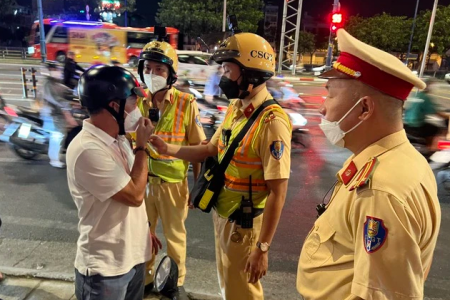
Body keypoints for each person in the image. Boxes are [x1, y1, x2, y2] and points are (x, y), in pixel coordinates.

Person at [296, 29, 441, 300]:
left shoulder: (382, 188)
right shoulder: (386, 160)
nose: (322, 108)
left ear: (364, 109)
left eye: (330, 95)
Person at [149, 33, 292, 300]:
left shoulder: (272, 122)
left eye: (227, 68)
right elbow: (209, 149)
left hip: (245, 225)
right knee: (227, 283)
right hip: (224, 214)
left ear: (249, 72)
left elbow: (278, 193)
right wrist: (168, 149)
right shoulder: (236, 107)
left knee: (243, 290)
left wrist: (262, 248)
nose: (222, 75)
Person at [66, 65, 161, 300]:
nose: (137, 109)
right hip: (105, 270)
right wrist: (141, 147)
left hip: (133, 257)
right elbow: (134, 195)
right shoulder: (87, 149)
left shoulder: (118, 139)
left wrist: (144, 229)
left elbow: (133, 186)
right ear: (114, 105)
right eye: (132, 101)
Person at [136, 40, 206, 293]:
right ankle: (144, 278)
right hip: (141, 183)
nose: (152, 74)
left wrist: (197, 188)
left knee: (175, 237)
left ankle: (174, 283)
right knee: (142, 234)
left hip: (173, 186)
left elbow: (199, 148)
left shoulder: (186, 104)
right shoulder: (137, 102)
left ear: (171, 74)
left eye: (159, 69)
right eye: (148, 68)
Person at [41, 62, 75, 168]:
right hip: (52, 114)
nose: (58, 71)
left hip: (57, 112)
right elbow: (54, 98)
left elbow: (64, 90)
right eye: (55, 69)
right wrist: (68, 104)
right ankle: (54, 160)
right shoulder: (47, 84)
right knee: (57, 136)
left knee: (60, 135)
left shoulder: (54, 82)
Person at [404, 78, 446, 149]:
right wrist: (447, 116)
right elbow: (435, 112)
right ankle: (431, 148)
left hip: (407, 124)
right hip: (417, 125)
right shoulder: (425, 97)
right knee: (437, 129)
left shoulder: (416, 95)